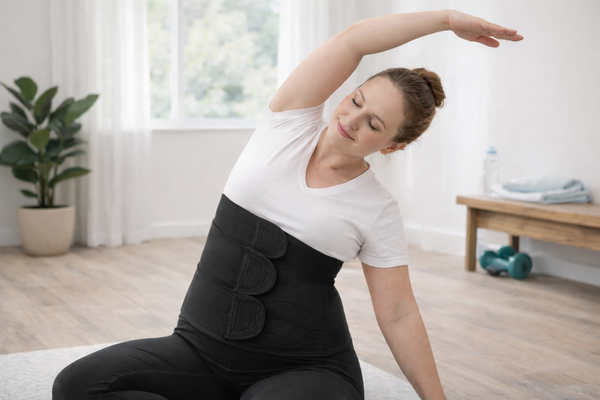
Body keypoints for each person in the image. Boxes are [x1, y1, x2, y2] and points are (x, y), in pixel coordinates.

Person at [52, 9, 522, 400]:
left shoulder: (376, 209)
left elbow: (398, 313)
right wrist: (444, 19)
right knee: (76, 385)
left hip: (303, 369)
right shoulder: (287, 123)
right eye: (356, 100)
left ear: (393, 145)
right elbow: (354, 40)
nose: (352, 119)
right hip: (198, 350)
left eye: (374, 124)